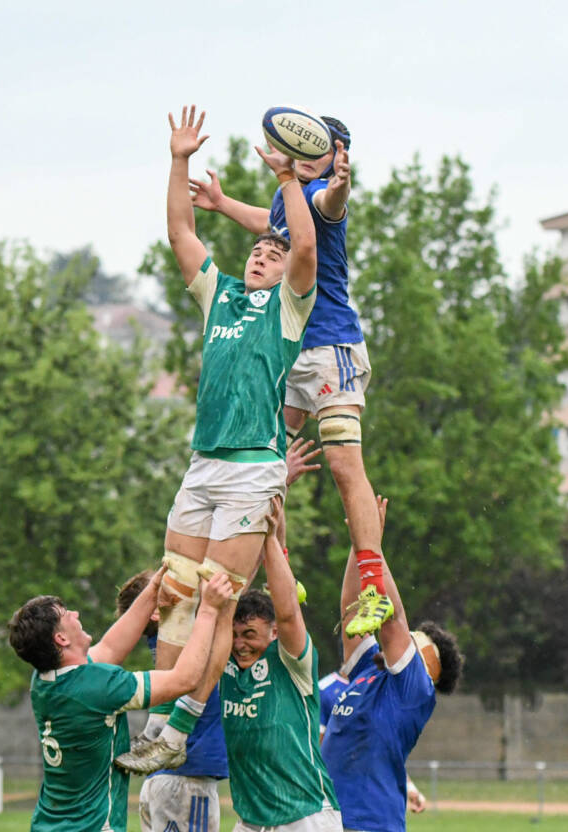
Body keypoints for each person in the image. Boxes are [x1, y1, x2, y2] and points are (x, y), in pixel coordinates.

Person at [120, 105, 319, 774]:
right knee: (176, 595)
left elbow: (308, 248)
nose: (262, 253)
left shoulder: (288, 307)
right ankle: (157, 725)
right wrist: (178, 160)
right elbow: (180, 229)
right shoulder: (220, 296)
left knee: (218, 597)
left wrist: (288, 177)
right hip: (202, 465)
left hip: (252, 469)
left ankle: (179, 730)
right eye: (258, 248)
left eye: (272, 252)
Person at [190, 116, 393, 639]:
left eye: (313, 147)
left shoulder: (323, 193)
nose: (302, 154)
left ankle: (374, 586)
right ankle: (281, 565)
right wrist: (223, 203)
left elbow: (331, 205)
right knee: (266, 458)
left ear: (334, 154)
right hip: (288, 349)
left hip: (330, 348)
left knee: (344, 465)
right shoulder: (291, 195)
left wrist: (341, 182)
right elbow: (272, 221)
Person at [6, 569, 232, 832]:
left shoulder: (44, 680)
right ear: (61, 638)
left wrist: (154, 588)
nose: (75, 614)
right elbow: (185, 679)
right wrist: (208, 610)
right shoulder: (98, 687)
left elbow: (111, 648)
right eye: (67, 615)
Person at [320, 496, 463, 832]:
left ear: (423, 672)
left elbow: (392, 618)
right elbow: (352, 611)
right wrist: (359, 544)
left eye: (413, 646)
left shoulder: (413, 692)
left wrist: (372, 545)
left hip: (368, 823)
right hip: (326, 820)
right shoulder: (368, 672)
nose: (403, 643)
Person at [222, 497, 341, 832]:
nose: (240, 644)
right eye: (234, 635)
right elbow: (224, 606)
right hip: (251, 822)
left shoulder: (290, 661)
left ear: (274, 632)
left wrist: (271, 540)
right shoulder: (226, 663)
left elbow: (287, 609)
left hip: (306, 816)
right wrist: (271, 494)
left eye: (249, 634)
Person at [116, 570, 230, 832]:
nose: (187, 588)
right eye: (175, 587)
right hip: (185, 783)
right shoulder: (188, 640)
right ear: (157, 612)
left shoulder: (171, 642)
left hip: (171, 781)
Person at [317, 670, 428, 816]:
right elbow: (316, 746)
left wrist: (409, 786)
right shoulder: (324, 689)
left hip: (371, 800)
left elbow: (383, 749)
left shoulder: (380, 688)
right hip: (333, 796)